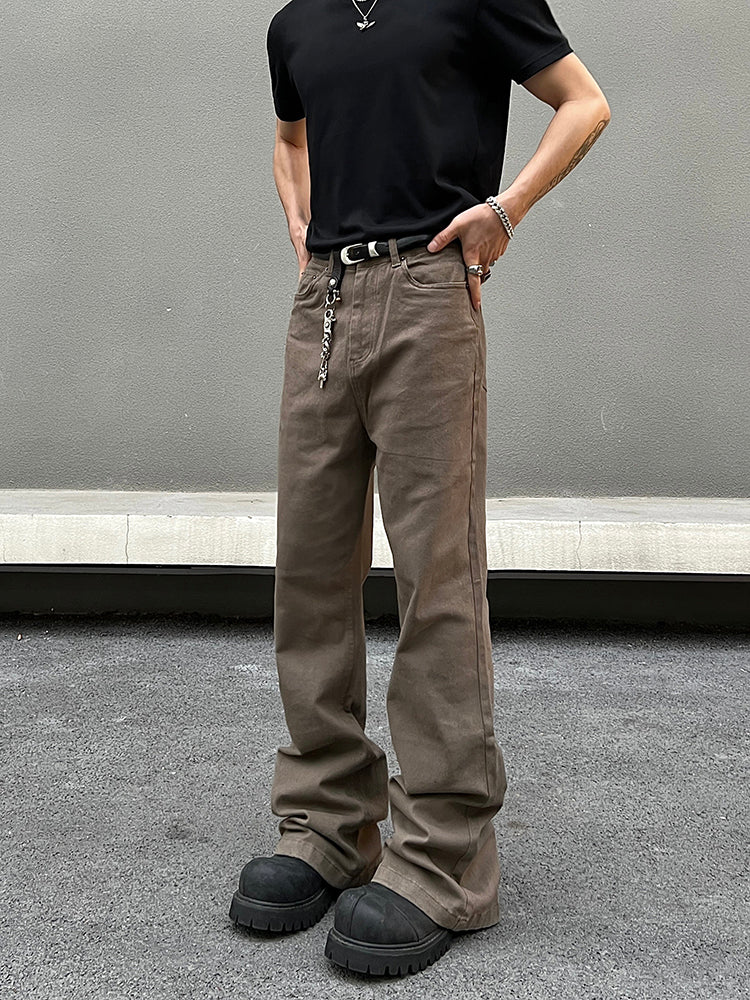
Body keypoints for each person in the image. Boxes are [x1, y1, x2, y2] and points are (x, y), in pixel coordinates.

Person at [230, 0, 610, 978]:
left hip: (428, 289)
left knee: (435, 576)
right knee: (310, 570)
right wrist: (301, 221)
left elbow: (584, 103)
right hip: (323, 299)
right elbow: (289, 139)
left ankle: (445, 856)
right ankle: (327, 823)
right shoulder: (295, 24)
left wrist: (505, 210)